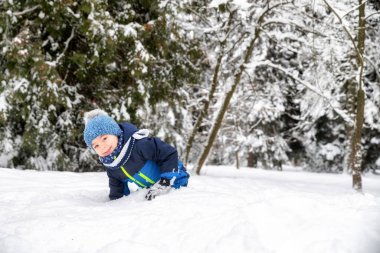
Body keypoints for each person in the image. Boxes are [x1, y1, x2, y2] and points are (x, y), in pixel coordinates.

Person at [83, 109, 189, 200]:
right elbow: (117, 186)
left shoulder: (139, 144)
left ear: (115, 133)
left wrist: (166, 180)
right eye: (96, 146)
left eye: (104, 138)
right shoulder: (111, 165)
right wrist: (115, 203)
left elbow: (168, 153)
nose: (102, 146)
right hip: (153, 191)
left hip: (176, 180)